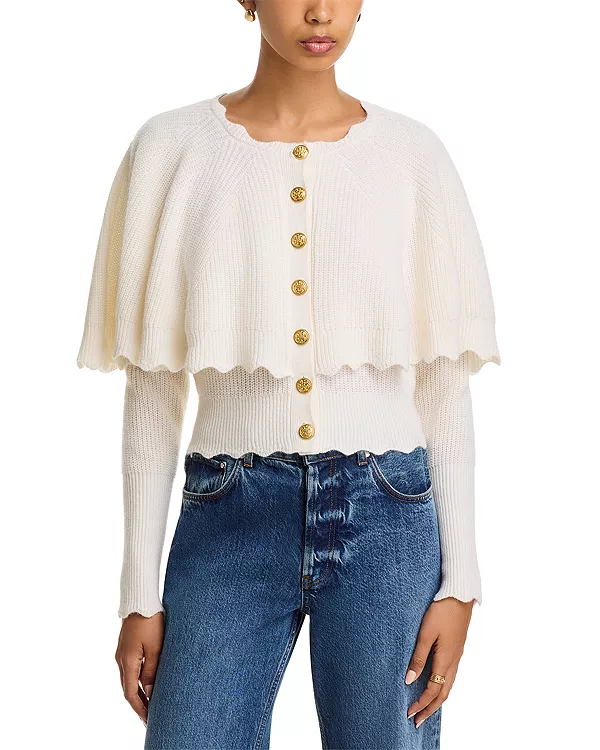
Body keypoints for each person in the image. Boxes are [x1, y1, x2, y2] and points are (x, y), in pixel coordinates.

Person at [76, 1, 501, 747]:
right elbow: (152, 390)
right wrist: (138, 593)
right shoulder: (172, 150)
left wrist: (460, 580)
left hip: (388, 515)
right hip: (228, 512)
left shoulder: (413, 157)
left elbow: (442, 384)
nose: (319, 11)